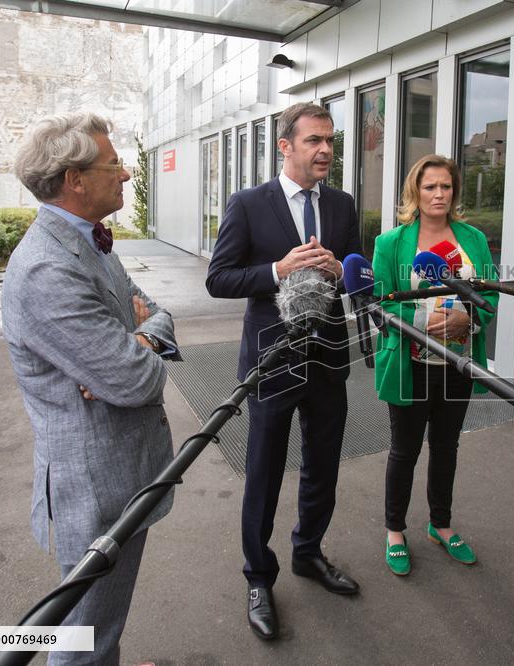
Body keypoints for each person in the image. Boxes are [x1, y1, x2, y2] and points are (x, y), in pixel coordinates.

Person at [3, 112, 181, 665]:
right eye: (113, 164)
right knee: (82, 639)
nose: (127, 174)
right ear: (74, 179)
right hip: (96, 491)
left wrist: (140, 336)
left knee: (102, 622)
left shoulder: (88, 239)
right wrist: (136, 347)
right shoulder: (46, 270)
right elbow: (136, 379)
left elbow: (156, 314)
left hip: (123, 475)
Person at [205, 103, 362, 640]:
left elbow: (358, 276)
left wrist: (342, 270)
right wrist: (278, 269)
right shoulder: (249, 204)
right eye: (315, 140)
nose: (324, 151)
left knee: (323, 466)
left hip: (327, 359)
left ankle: (308, 553)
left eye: (330, 141)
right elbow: (219, 279)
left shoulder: (341, 206)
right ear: (286, 146)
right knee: (265, 472)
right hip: (272, 361)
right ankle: (258, 576)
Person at [371, 154, 498, 576]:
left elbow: (490, 296)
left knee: (447, 448)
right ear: (415, 192)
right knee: (404, 451)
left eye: (445, 186)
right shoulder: (391, 243)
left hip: (457, 365)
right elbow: (379, 305)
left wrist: (469, 319)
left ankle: (440, 525)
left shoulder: (473, 240)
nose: (439, 194)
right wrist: (423, 324)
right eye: (430, 187)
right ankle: (394, 531)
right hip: (411, 363)